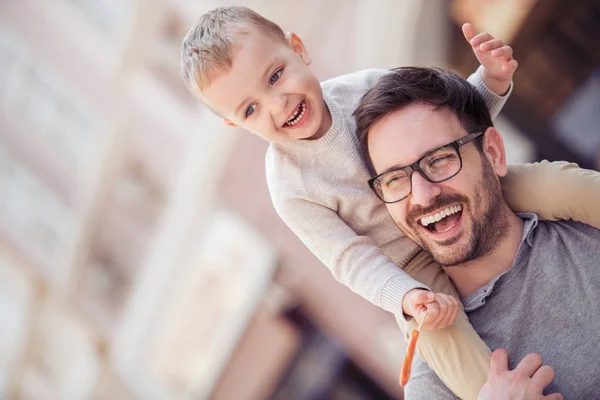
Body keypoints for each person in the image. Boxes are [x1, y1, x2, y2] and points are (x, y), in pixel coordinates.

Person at [180, 7, 600, 399]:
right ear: (235, 123)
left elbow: (450, 125)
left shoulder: (367, 88)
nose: (278, 104)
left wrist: (490, 81)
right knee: (439, 331)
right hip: (406, 266)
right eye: (251, 108)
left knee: (551, 181)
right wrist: (407, 298)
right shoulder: (290, 186)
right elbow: (349, 258)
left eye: (274, 76)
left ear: (298, 49)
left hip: (461, 188)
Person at [355, 66, 600, 399]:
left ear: (494, 153)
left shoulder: (586, 219)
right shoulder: (438, 386)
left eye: (439, 160)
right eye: (395, 180)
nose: (423, 195)